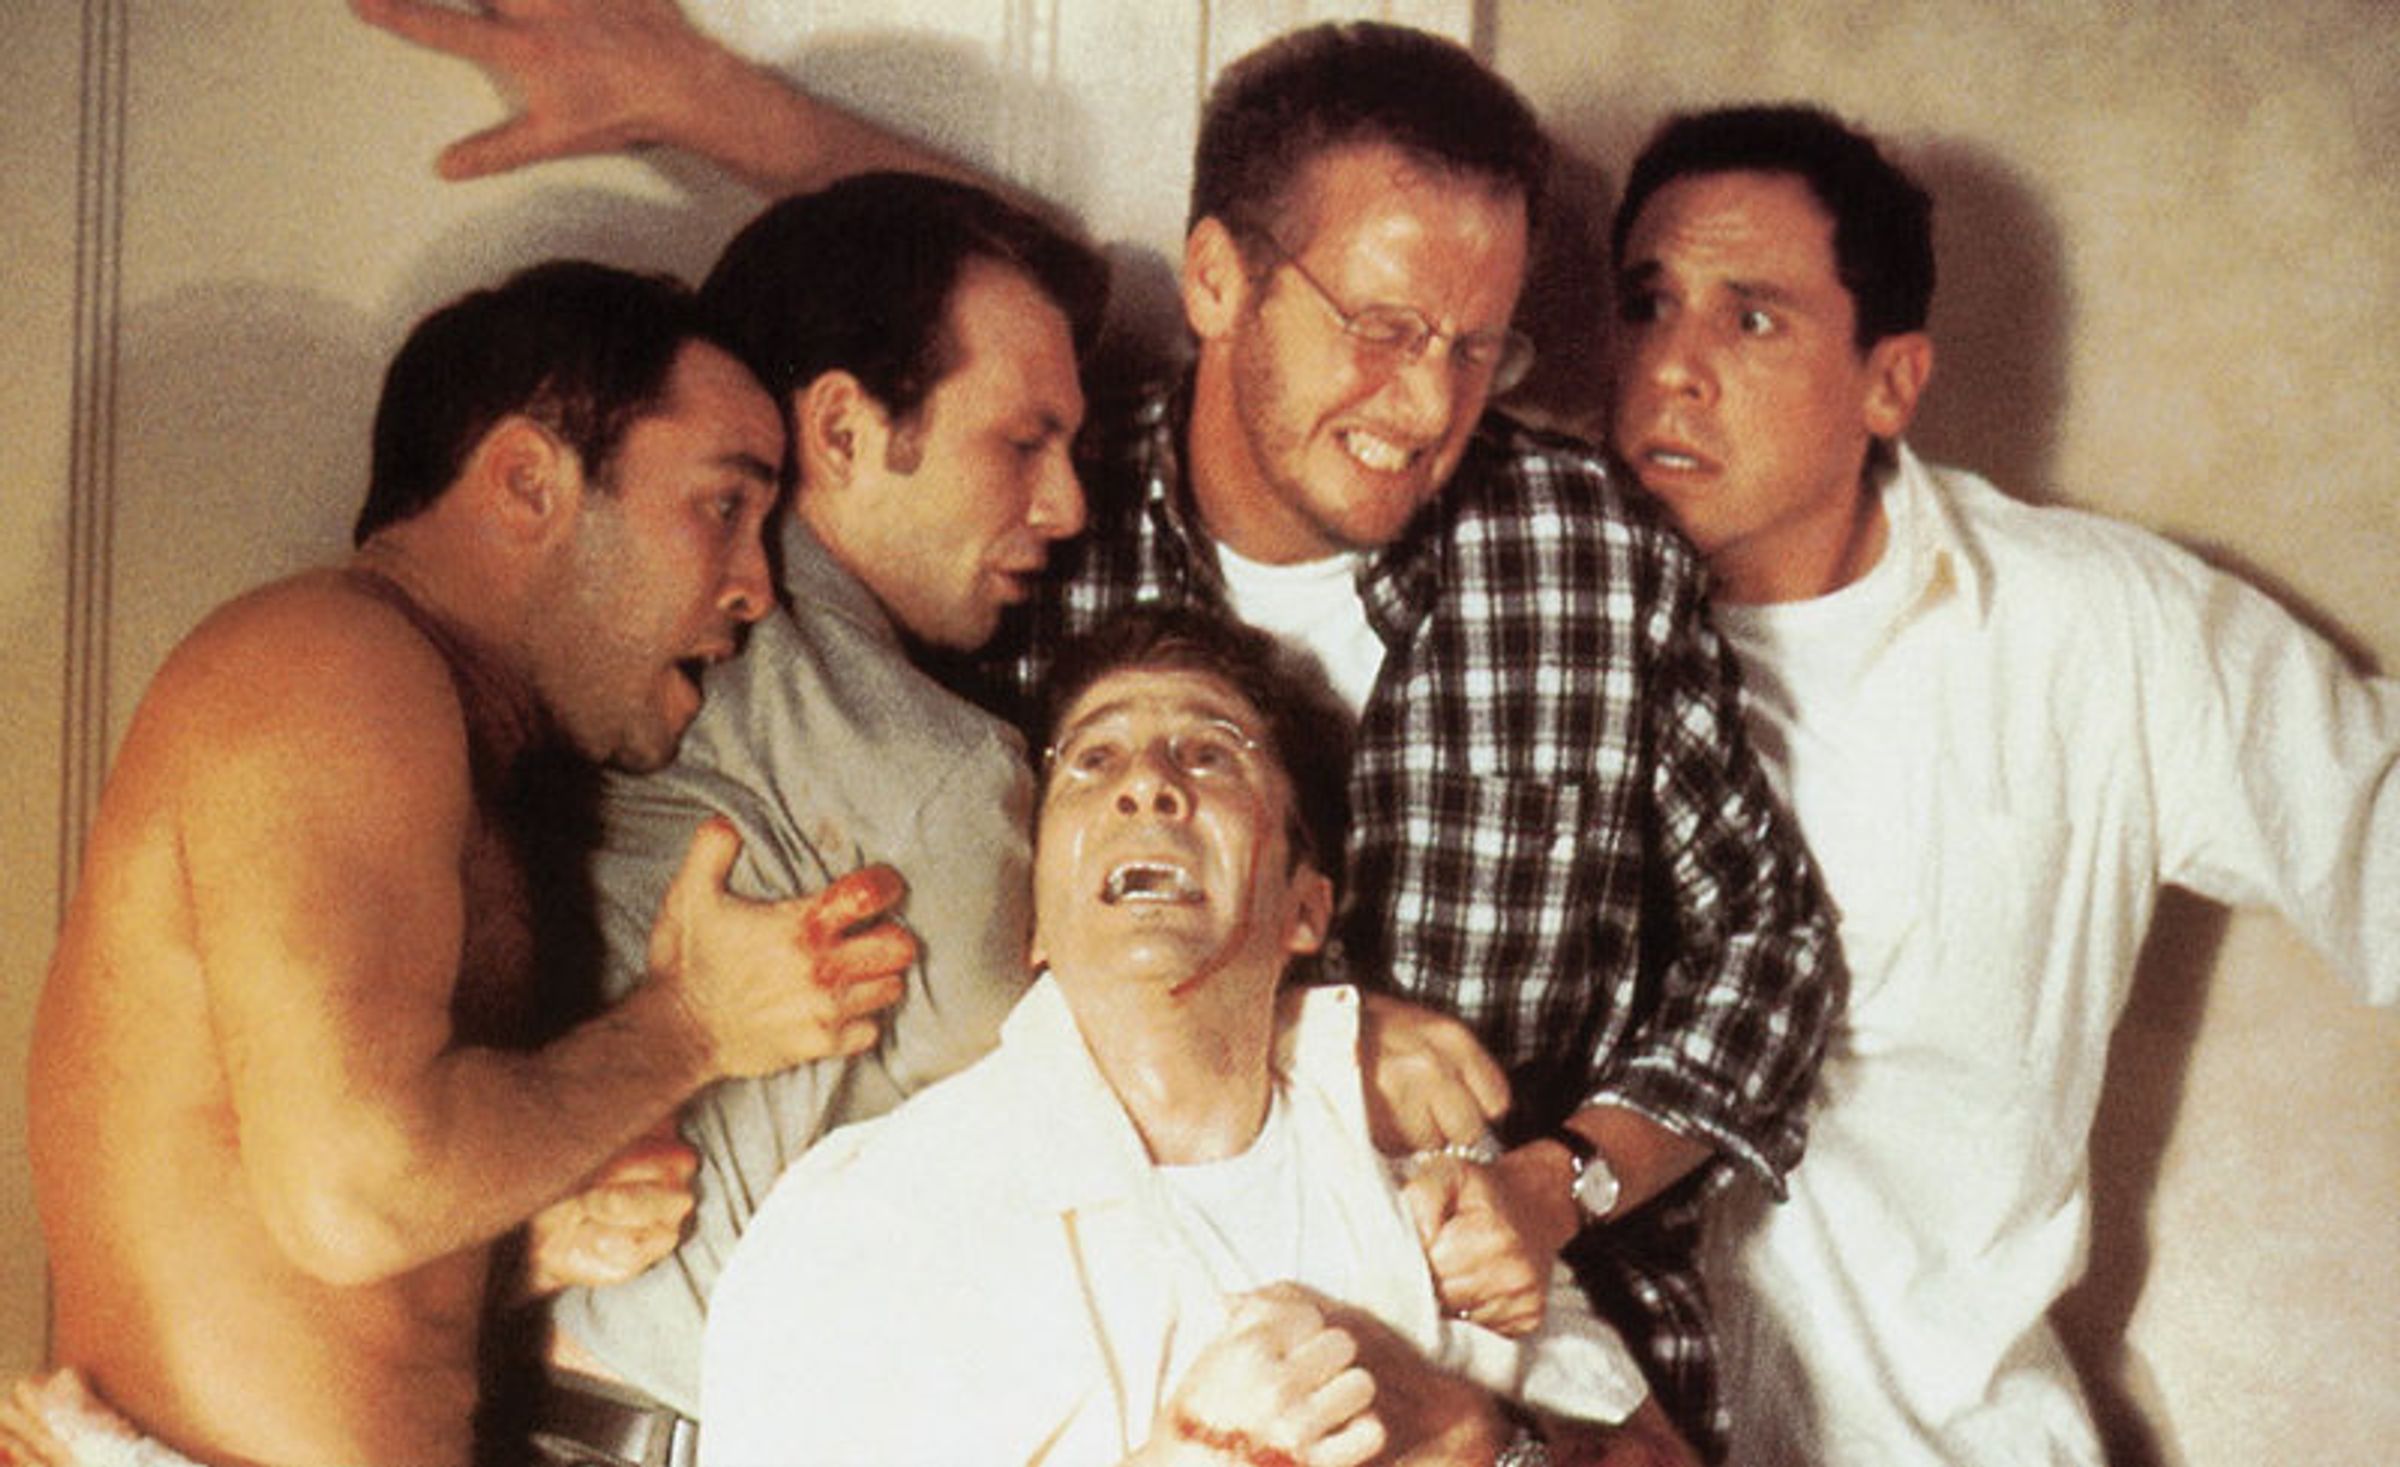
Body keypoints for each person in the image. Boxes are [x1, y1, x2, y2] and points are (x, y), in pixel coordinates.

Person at [353, 9, 1842, 1455]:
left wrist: (1559, 1183)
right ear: (1215, 280)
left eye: (1479, 347)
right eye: (1384, 328)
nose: (1427, 401)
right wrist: (1307, 1028)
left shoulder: (1588, 554)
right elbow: (902, 337)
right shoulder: (1028, 530)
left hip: (1500, 1310)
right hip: (1108, 1359)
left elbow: (1769, 945)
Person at [21, 261, 920, 1467]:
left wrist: (502, 1250)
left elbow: (297, 1216)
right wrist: (694, 1023)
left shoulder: (419, 725)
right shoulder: (335, 662)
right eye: (722, 506)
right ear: (527, 482)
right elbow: (356, 1193)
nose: (758, 586)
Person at [1606, 103, 2400, 1464]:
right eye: (1646, 304)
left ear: (1889, 383)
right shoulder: (1504, 619)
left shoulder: (2089, 631)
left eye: (1752, 318)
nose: (1672, 367)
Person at [701, 606, 1700, 1467]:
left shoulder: (1432, 1176)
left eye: (1210, 753)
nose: (1145, 783)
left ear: (1306, 911)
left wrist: (1461, 1426)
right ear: (1036, 920)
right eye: (1092, 760)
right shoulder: (871, 1219)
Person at [526, 171, 1107, 1458]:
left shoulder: (572, 638)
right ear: (841, 430)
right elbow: (1073, 1165)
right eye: (1024, 443)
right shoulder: (935, 776)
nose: (1068, 507)